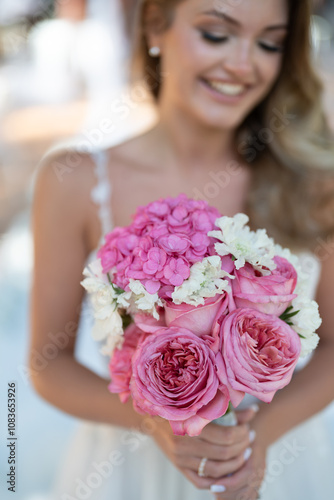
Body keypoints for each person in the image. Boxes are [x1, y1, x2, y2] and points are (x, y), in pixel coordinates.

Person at [29, 1, 334, 499]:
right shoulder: (75, 180)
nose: (243, 64)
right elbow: (47, 364)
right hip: (129, 473)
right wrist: (158, 426)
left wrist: (253, 442)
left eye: (269, 42)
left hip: (283, 468)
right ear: (155, 24)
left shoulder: (314, 179)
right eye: (216, 34)